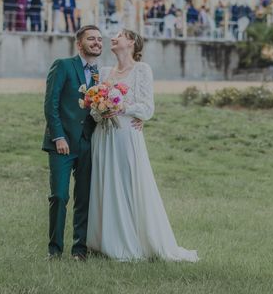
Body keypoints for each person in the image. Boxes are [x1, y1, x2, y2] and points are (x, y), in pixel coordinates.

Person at [87, 29, 198, 262]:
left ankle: (132, 242)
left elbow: (147, 109)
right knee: (104, 185)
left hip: (127, 135)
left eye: (119, 35)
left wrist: (121, 109)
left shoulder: (142, 70)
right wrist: (100, 109)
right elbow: (94, 111)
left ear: (132, 43)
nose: (113, 38)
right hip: (103, 137)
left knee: (128, 185)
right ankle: (103, 241)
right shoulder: (104, 72)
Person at [42, 25, 101, 261]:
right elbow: (51, 104)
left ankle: (80, 250)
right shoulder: (63, 65)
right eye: (91, 39)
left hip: (88, 143)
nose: (96, 42)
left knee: (84, 198)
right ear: (79, 44)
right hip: (62, 144)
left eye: (99, 39)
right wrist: (58, 137)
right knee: (59, 195)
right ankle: (54, 250)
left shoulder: (99, 74)